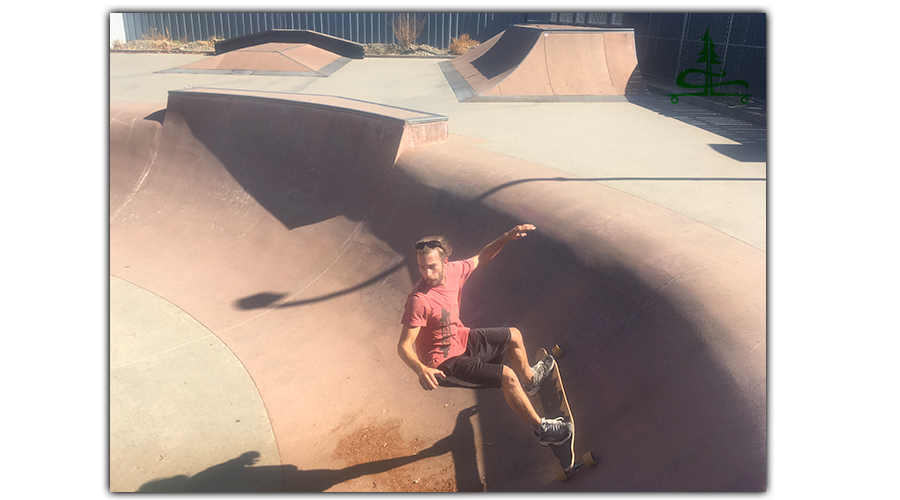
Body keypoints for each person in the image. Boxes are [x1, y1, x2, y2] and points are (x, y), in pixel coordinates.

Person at [397, 224, 573, 446]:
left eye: (431, 267)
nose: (426, 274)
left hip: (461, 338)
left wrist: (507, 237)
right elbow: (403, 346)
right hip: (443, 363)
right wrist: (421, 369)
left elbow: (481, 257)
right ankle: (543, 431)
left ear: (445, 262)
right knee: (507, 376)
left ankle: (530, 380)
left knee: (514, 336)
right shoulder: (419, 300)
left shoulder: (455, 271)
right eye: (421, 267)